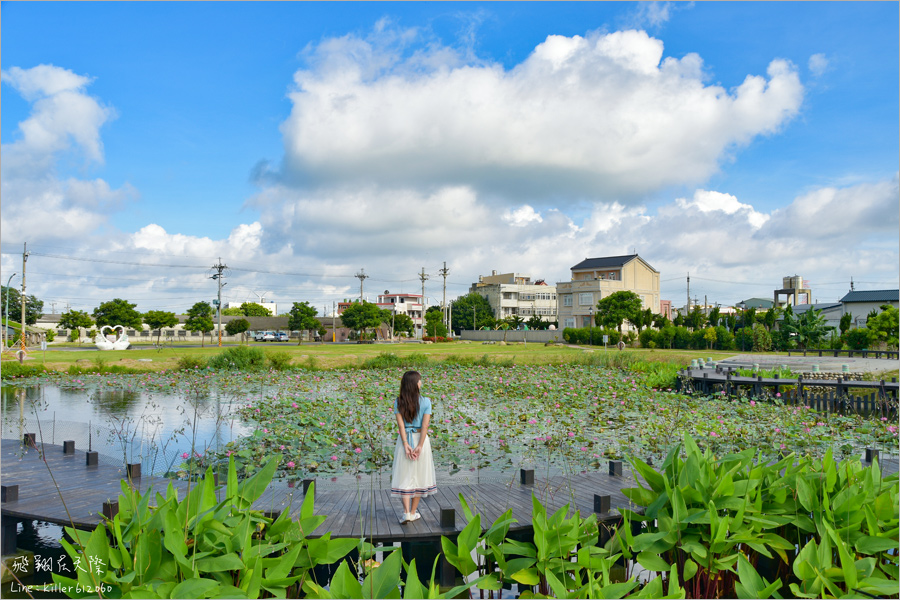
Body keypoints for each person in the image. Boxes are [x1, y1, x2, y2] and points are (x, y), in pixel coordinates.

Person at [391, 370, 436, 523]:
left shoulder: (398, 401)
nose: (421, 383)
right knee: (419, 476)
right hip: (420, 440)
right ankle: (413, 511)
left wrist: (405, 445)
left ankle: (405, 513)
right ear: (415, 384)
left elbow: (401, 426)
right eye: (419, 380)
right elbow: (425, 426)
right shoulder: (426, 401)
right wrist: (420, 446)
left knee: (405, 475)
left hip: (404, 440)